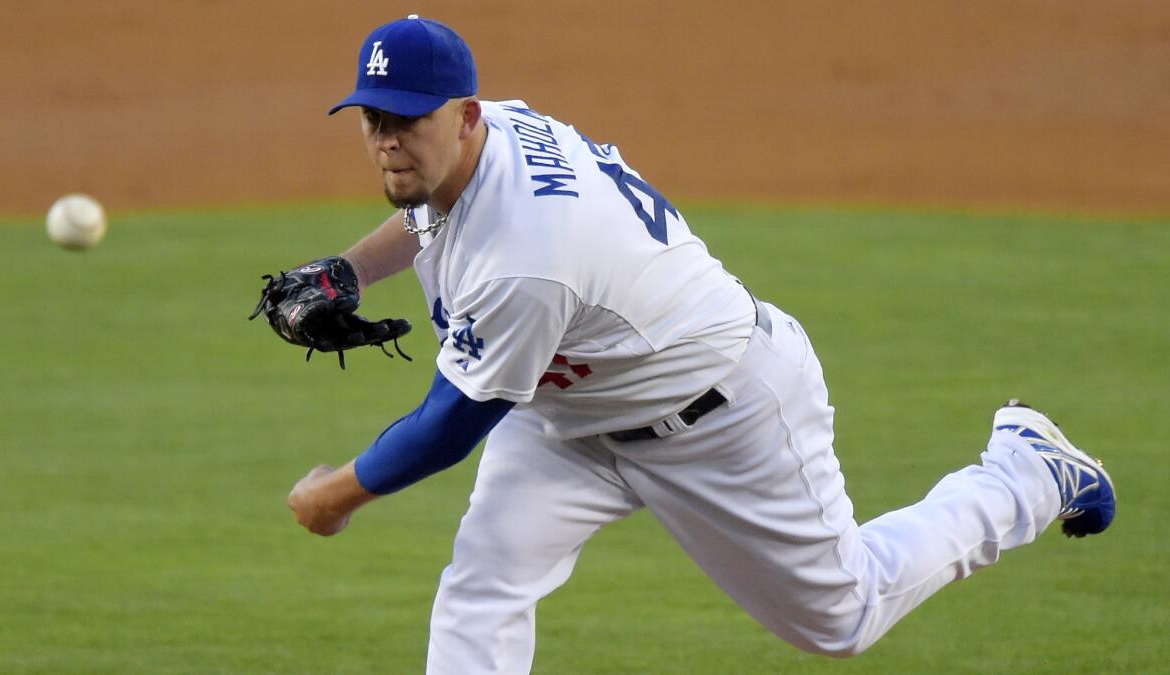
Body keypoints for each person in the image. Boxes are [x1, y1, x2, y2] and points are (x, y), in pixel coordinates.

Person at [282, 15, 1116, 673]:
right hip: (569, 416)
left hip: (722, 412)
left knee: (843, 619)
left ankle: (1027, 472)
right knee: (484, 584)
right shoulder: (487, 130)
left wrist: (334, 497)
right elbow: (430, 206)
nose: (388, 138)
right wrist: (351, 271)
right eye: (374, 118)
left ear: (463, 116)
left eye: (408, 120)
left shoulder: (528, 260)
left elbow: (448, 425)